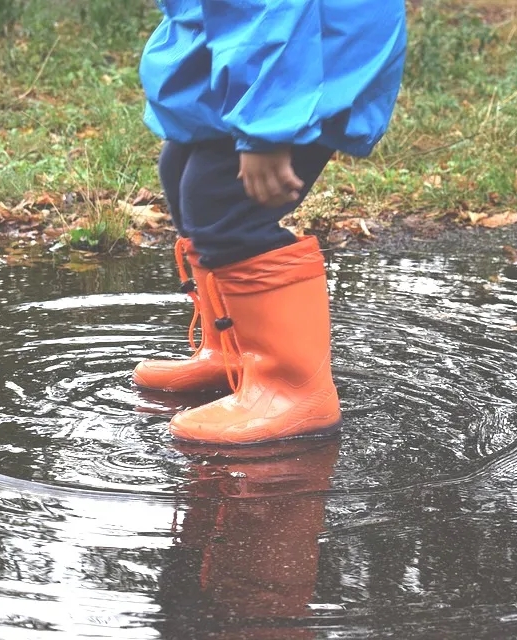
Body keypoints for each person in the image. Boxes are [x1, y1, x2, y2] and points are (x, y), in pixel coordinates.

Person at [133, 0, 407, 445]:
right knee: (181, 169)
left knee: (222, 204)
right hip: (254, 47)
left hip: (308, 54)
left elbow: (272, 10)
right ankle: (234, 352)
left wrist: (266, 128)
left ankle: (293, 392)